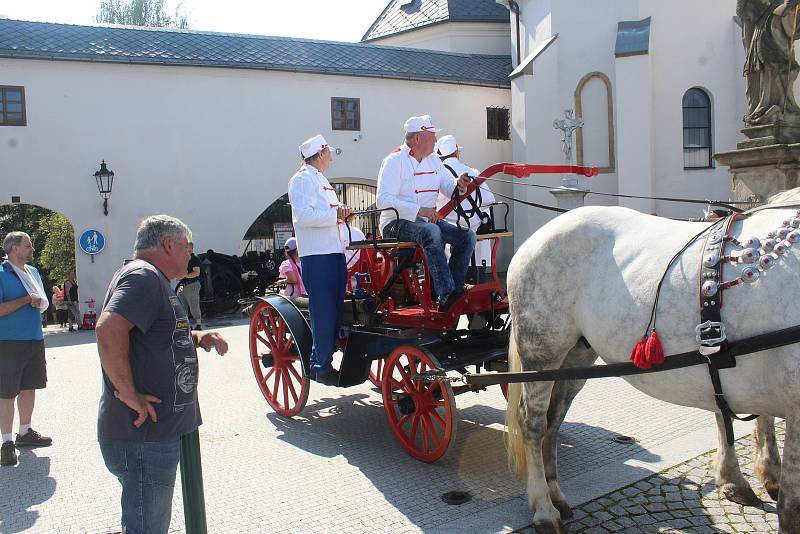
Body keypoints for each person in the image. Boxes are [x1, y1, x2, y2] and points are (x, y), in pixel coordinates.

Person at [95, 215, 228, 534]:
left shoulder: (151, 279)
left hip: (152, 434)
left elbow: (152, 332)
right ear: (169, 244)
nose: (191, 256)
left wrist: (194, 338)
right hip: (144, 437)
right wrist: (128, 393)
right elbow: (109, 329)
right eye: (187, 247)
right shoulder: (143, 277)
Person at [376, 115, 475, 312]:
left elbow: (449, 186)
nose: (436, 140)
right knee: (431, 231)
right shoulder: (394, 161)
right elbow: (383, 200)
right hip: (395, 223)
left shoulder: (434, 160)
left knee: (467, 236)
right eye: (432, 136)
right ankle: (446, 294)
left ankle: (455, 289)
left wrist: (459, 184)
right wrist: (419, 210)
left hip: (424, 222)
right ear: (418, 138)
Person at [287, 134, 350, 385]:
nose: (332, 157)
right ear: (320, 154)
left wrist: (341, 215)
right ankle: (320, 364)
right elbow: (302, 216)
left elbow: (325, 214)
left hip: (332, 251)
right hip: (317, 254)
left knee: (335, 307)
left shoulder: (319, 179)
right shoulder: (301, 179)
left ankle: (327, 355)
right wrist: (337, 215)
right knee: (323, 310)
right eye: (329, 153)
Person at [0, 231, 53, 467]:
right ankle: (7, 442)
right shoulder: (2, 274)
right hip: (8, 341)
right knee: (7, 392)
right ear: (13, 249)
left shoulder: (33, 272)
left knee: (30, 385)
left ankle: (25, 431)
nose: (32, 249)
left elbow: (40, 299)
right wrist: (25, 300)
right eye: (28, 245)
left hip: (34, 337)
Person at [435, 134, 496, 283]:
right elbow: (489, 200)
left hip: (450, 238)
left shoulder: (436, 173)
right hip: (475, 241)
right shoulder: (473, 172)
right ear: (456, 152)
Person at [175, 241, 202, 330]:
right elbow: (178, 276)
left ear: (191, 248)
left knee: (194, 306)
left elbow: (197, 273)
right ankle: (187, 326)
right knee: (182, 306)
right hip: (182, 285)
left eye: (187, 247)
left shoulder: (194, 259)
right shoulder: (183, 259)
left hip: (192, 285)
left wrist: (184, 275)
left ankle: (198, 325)